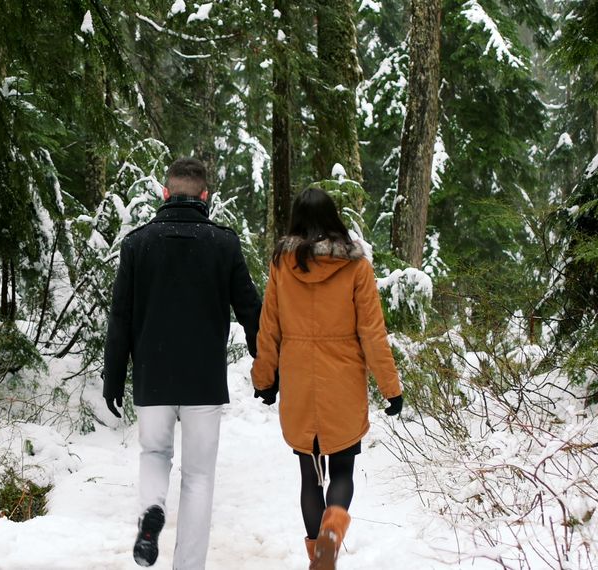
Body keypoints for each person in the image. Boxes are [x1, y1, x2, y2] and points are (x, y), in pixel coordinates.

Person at [103, 157, 261, 569]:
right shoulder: (224, 243)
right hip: (203, 381)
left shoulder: (138, 243)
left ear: (165, 193)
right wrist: (267, 367)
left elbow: (121, 315)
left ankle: (152, 509)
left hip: (153, 375)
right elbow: (250, 310)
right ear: (206, 197)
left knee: (154, 454)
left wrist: (113, 377)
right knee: (198, 478)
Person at [250, 186, 403, 570]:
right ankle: (331, 536)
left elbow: (269, 327)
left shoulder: (282, 265)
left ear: (296, 220)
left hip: (300, 379)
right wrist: (391, 387)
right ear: (334, 218)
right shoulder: (356, 266)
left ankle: (318, 555)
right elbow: (372, 331)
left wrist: (264, 380)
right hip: (343, 380)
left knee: (308, 475)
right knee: (343, 469)